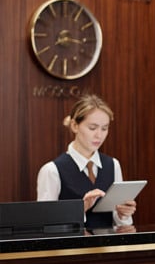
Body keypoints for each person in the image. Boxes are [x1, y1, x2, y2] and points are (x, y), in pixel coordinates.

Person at [37, 94, 136, 229]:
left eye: (104, 128)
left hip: (106, 248)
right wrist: (79, 211)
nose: (99, 135)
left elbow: (120, 224)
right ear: (75, 126)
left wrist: (123, 214)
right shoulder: (52, 170)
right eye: (92, 128)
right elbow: (45, 225)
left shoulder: (113, 165)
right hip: (71, 249)